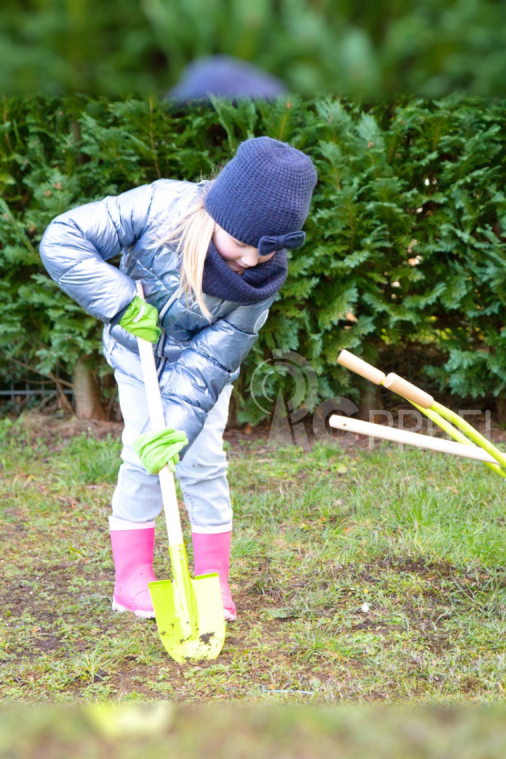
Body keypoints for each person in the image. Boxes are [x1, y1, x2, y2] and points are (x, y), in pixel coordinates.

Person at [39, 137, 317, 621]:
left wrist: (179, 426)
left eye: (264, 252)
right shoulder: (159, 206)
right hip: (135, 357)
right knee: (142, 455)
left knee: (202, 461)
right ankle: (131, 581)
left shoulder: (259, 283)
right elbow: (63, 239)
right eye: (242, 245)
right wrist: (122, 301)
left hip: (201, 372)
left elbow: (212, 361)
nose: (251, 261)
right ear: (218, 215)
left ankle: (213, 579)